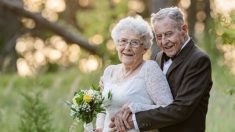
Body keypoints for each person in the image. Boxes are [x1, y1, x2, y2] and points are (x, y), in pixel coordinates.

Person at [111, 7, 213, 132]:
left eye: (168, 34)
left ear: (184, 30)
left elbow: (181, 109)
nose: (164, 41)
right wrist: (114, 84)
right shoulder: (158, 57)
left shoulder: (198, 60)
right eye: (159, 36)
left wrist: (136, 120)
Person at [94, 16, 173, 132]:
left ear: (145, 48)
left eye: (134, 43)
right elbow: (103, 107)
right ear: (117, 44)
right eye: (123, 41)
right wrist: (99, 127)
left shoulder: (149, 69)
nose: (127, 47)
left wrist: (135, 107)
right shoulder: (109, 71)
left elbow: (168, 109)